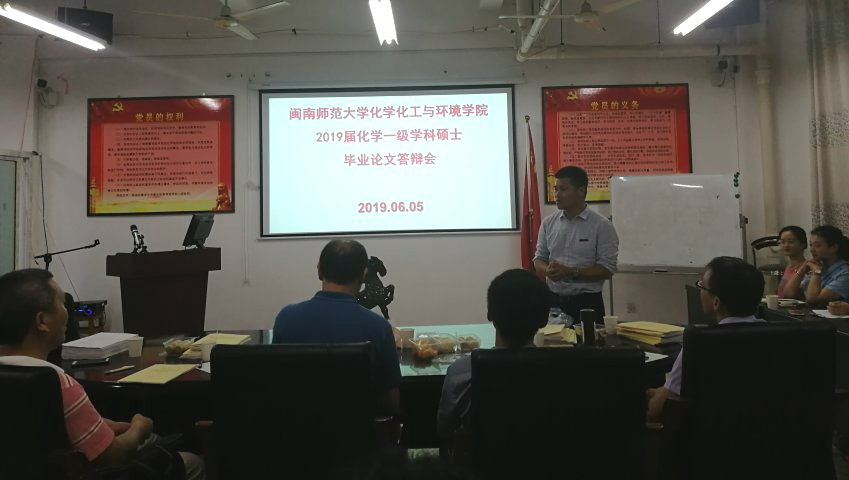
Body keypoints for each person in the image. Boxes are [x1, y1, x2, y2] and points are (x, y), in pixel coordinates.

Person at [0, 269, 203, 479]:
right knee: (193, 462)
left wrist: (102, 425)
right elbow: (113, 456)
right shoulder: (59, 385)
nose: (67, 312)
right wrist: (139, 427)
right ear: (42, 321)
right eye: (62, 303)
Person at [272, 239, 401, 415]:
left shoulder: (286, 319)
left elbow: (277, 382)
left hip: (297, 427)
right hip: (357, 430)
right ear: (363, 274)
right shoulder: (379, 327)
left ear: (319, 270)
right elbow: (391, 401)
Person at [646, 257, 765, 422]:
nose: (700, 291)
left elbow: (659, 409)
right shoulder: (777, 337)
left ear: (716, 302)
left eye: (702, 286)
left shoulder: (700, 342)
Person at [436, 269, 549, 437]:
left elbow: (444, 430)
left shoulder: (461, 373)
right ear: (544, 320)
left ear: (490, 314)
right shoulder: (558, 372)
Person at [533, 166, 619, 323]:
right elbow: (539, 259)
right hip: (554, 302)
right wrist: (548, 270)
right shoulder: (548, 223)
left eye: (563, 189)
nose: (557, 195)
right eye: (556, 189)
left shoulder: (601, 226)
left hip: (587, 303)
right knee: (553, 339)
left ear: (581, 191)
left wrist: (570, 271)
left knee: (588, 339)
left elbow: (607, 270)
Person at [781, 225, 849, 305]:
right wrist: (802, 269)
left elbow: (812, 299)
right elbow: (788, 294)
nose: (812, 250)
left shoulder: (845, 273)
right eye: (811, 245)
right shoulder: (817, 266)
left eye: (817, 245)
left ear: (834, 247)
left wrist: (816, 272)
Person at [776, 225, 808, 298]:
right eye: (782, 242)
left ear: (803, 244)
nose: (786, 245)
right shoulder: (788, 267)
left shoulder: (807, 267)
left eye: (791, 242)